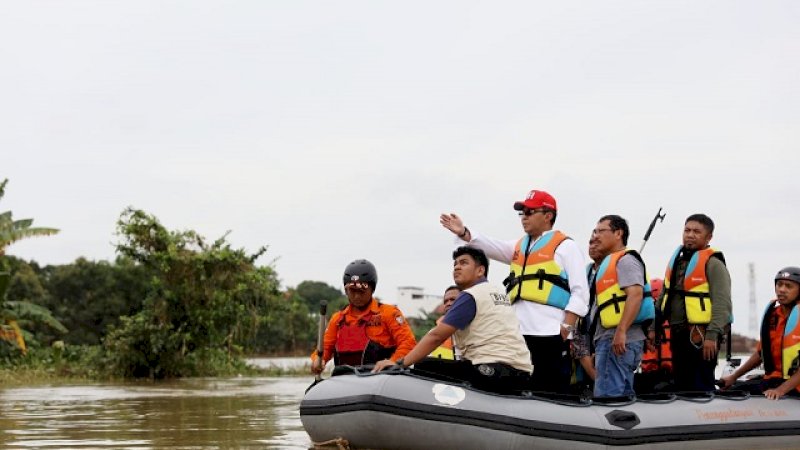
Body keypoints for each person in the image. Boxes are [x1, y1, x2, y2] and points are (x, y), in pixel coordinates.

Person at [440, 189, 589, 393]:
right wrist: (464, 232)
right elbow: (491, 246)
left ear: (548, 215)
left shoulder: (566, 246)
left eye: (529, 212)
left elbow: (581, 293)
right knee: (523, 387)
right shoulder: (520, 246)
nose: (524, 217)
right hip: (519, 334)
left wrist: (567, 328)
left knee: (551, 387)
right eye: (522, 213)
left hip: (550, 331)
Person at [373, 247, 532, 395]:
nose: (457, 267)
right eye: (455, 264)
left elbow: (436, 336)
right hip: (521, 373)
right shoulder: (499, 294)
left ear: (480, 270)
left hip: (491, 371)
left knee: (421, 366)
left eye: (464, 263)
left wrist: (400, 364)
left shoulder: (471, 295)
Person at [657, 214, 731, 392]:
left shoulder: (714, 264)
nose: (690, 235)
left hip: (702, 336)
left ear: (708, 237)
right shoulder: (677, 262)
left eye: (696, 232)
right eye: (687, 230)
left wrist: (712, 336)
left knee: (701, 384)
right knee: (682, 383)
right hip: (678, 333)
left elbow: (722, 303)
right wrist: (654, 326)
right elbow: (664, 296)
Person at [585, 215, 655, 397]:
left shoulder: (626, 261)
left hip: (617, 340)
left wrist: (621, 331)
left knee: (608, 397)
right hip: (610, 340)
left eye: (601, 231)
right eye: (595, 231)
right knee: (623, 395)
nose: (597, 235)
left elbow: (635, 294)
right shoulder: (607, 264)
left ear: (618, 234)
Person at [311, 259, 416, 374]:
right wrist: (318, 360)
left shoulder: (389, 313)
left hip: (381, 379)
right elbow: (325, 348)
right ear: (346, 290)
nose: (356, 296)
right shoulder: (337, 319)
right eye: (352, 291)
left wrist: (394, 362)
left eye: (362, 291)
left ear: (372, 289)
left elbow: (408, 344)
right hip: (346, 381)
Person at [720, 267, 800, 400]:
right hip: (773, 380)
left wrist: (780, 390)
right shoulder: (773, 315)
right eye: (779, 285)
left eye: (788, 286)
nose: (782, 289)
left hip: (793, 386)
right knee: (730, 392)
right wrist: (734, 376)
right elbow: (760, 354)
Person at [429, 285, 461, 359]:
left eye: (452, 299)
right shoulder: (434, 332)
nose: (448, 303)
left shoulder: (475, 330)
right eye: (445, 301)